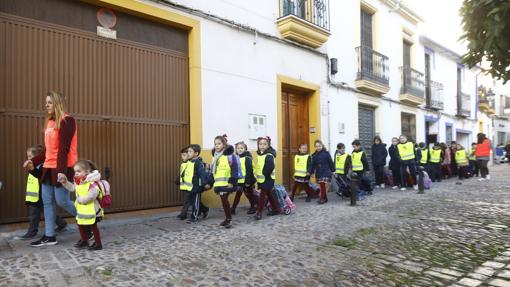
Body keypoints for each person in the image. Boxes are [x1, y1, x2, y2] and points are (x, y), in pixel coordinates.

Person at [30, 91, 79, 247]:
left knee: (62, 201)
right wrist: (32, 161)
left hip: (62, 167)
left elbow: (63, 149)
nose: (46, 105)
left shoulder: (67, 121)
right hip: (48, 167)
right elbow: (47, 150)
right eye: (46, 102)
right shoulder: (50, 123)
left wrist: (61, 172)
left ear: (57, 104)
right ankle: (50, 236)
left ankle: (89, 218)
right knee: (47, 203)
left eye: (50, 102)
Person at [18, 145, 67, 240]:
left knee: (34, 215)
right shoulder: (32, 166)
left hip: (39, 196)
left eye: (30, 156)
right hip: (33, 196)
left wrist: (32, 169)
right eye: (27, 156)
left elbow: (39, 177)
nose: (29, 159)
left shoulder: (41, 167)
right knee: (46, 212)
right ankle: (62, 223)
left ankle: (32, 232)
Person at [59, 160, 103, 251]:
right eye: (75, 171)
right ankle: (84, 240)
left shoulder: (92, 182)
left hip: (92, 209)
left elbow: (93, 194)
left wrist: (81, 200)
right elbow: (72, 188)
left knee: (93, 226)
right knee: (80, 223)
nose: (76, 173)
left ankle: (98, 243)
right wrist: (65, 182)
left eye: (79, 171)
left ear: (87, 172)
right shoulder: (79, 181)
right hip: (82, 209)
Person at [211, 135, 239, 228]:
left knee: (224, 200)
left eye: (219, 144)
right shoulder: (215, 156)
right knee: (224, 201)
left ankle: (228, 219)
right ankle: (228, 218)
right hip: (219, 183)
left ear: (224, 144)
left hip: (227, 183)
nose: (217, 146)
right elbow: (214, 170)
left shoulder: (230, 156)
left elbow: (235, 169)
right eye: (215, 144)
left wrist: (232, 181)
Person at [254, 136, 278, 220]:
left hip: (268, 178)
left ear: (268, 145)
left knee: (262, 195)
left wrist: (264, 173)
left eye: (264, 144)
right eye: (260, 144)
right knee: (269, 194)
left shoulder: (269, 155)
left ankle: (259, 212)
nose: (262, 146)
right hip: (262, 178)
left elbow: (270, 166)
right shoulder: (260, 154)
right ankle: (275, 208)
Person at [231, 141, 257, 214]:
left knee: (250, 194)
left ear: (245, 149)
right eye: (238, 148)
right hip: (240, 181)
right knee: (238, 195)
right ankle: (233, 208)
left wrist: (248, 182)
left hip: (247, 181)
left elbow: (249, 171)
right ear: (236, 149)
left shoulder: (247, 158)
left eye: (242, 148)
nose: (240, 149)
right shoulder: (236, 158)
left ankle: (253, 207)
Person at [311, 140, 334, 204]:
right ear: (315, 147)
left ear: (322, 146)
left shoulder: (326, 153)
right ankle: (325, 198)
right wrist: (312, 172)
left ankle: (321, 198)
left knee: (322, 184)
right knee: (322, 185)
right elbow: (312, 165)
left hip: (326, 171)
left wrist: (333, 170)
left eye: (319, 146)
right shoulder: (314, 155)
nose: (318, 147)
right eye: (316, 146)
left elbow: (331, 162)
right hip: (319, 172)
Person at [176, 147, 191, 220]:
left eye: (184, 155)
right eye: (182, 155)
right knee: (193, 200)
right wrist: (178, 179)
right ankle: (204, 209)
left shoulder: (190, 163)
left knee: (186, 201)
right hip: (185, 186)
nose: (182, 157)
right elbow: (182, 173)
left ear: (189, 155)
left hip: (191, 186)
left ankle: (183, 214)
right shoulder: (183, 164)